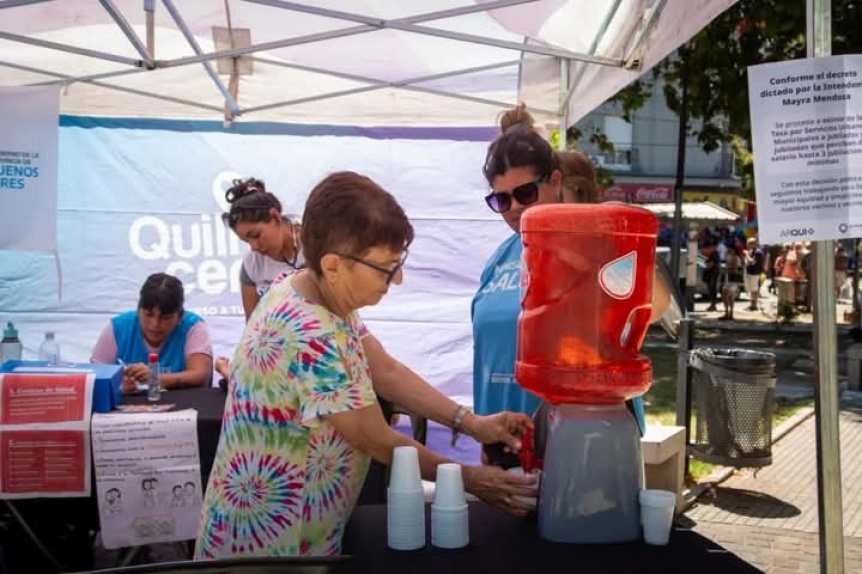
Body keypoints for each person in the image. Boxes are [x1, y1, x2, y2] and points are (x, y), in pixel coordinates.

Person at [195, 171, 537, 559]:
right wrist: (473, 481)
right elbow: (376, 437)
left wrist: (472, 423)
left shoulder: (316, 291)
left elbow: (385, 371)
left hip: (300, 531)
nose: (399, 278)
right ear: (334, 264)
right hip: (273, 546)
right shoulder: (308, 333)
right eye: (386, 268)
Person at [471, 104, 669, 450]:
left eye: (525, 193)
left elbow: (656, 305)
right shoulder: (499, 258)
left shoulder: (593, 244)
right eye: (501, 200)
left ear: (556, 182)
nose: (515, 207)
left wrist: (609, 239)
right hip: (504, 447)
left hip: (581, 444)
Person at [91, 273, 213, 393]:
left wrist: (155, 378)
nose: (155, 324)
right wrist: (118, 386)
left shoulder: (193, 327)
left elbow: (201, 375)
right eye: (148, 315)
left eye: (166, 318)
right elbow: (94, 377)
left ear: (180, 317)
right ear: (138, 311)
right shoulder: (118, 328)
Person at [222, 177, 305, 320]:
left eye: (256, 235)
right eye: (246, 241)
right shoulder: (251, 263)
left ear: (275, 216)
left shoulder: (316, 244)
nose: (254, 247)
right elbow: (253, 326)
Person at [721, 245, 743, 320]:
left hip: (732, 279)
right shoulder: (729, 257)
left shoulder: (735, 258)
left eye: (730, 249)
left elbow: (735, 270)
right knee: (729, 297)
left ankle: (729, 313)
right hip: (729, 279)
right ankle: (728, 313)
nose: (729, 250)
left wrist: (727, 269)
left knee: (727, 295)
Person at [744, 237, 764, 311]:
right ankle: (752, 305)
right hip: (751, 273)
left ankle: (754, 306)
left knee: (754, 290)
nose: (747, 245)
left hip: (755, 273)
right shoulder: (753, 251)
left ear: (753, 244)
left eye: (748, 244)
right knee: (752, 290)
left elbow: (752, 262)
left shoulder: (758, 252)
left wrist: (746, 254)